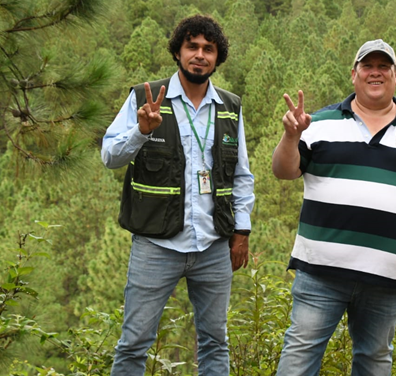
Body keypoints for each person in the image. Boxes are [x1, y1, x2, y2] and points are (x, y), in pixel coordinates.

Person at [272, 39, 396, 375]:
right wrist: (290, 136)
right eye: (367, 66)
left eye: (383, 66)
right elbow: (284, 172)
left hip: (387, 278)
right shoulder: (319, 123)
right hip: (321, 273)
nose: (375, 72)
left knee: (374, 361)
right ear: (354, 74)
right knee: (299, 357)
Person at [101, 14, 254, 376]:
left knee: (216, 342)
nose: (200, 55)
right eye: (192, 47)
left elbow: (242, 174)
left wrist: (242, 232)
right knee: (135, 342)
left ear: (217, 57)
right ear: (178, 52)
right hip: (156, 245)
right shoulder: (145, 98)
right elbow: (110, 157)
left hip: (214, 245)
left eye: (208, 49)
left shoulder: (230, 108)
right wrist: (140, 131)